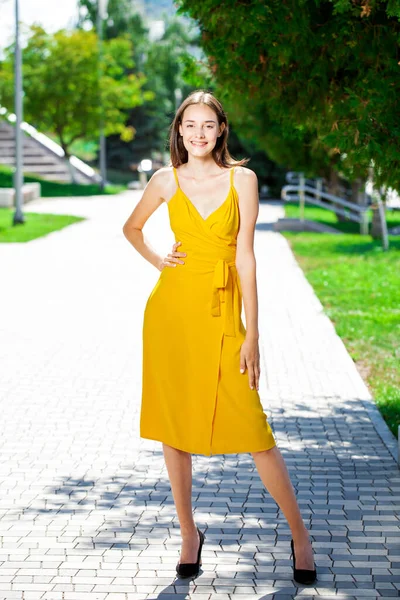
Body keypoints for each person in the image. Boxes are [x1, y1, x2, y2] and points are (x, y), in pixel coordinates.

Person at [122, 90, 316, 585]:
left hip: (226, 313)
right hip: (171, 314)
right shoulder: (165, 180)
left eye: (208, 125)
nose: (199, 134)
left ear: (221, 129)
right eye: (190, 125)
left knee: (255, 430)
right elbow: (132, 228)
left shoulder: (242, 180)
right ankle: (189, 532)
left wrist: (252, 334)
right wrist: (159, 260)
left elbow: (246, 258)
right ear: (179, 130)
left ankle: (300, 534)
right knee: (174, 426)